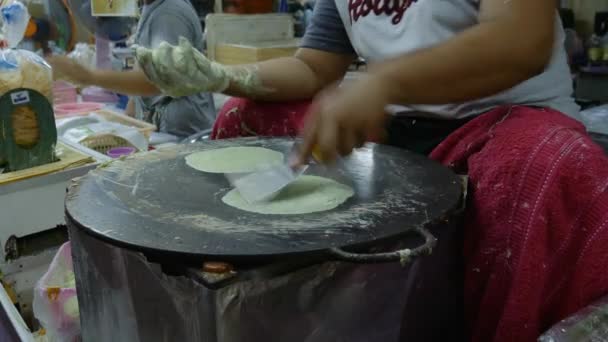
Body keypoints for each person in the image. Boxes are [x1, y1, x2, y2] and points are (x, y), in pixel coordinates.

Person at [103, 0, 608, 341]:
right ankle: (273, 304)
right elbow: (315, 68)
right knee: (245, 113)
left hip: (505, 122)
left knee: (548, 165)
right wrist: (223, 74)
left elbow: (522, 37)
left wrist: (383, 83)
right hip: (393, 124)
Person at [47, 0, 215, 138]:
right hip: (166, 132)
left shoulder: (168, 14)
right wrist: (127, 119)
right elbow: (143, 64)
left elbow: (158, 80)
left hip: (183, 136)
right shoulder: (150, 9)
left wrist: (89, 76)